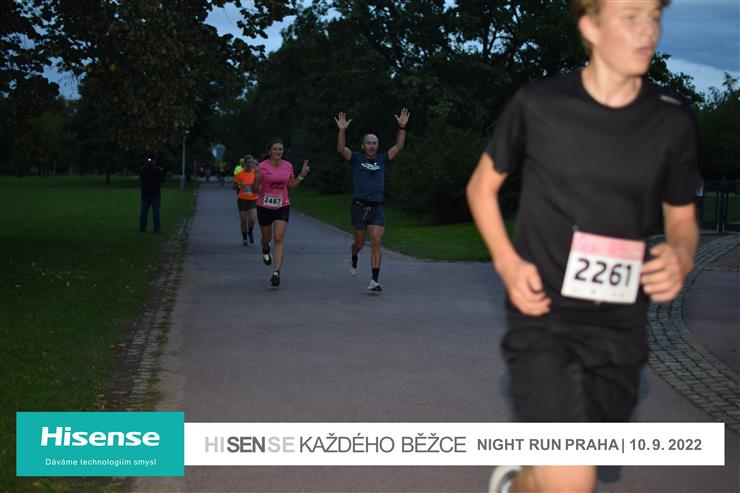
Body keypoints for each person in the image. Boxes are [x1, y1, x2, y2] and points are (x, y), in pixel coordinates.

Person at [465, 1, 699, 492]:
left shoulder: (671, 119)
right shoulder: (540, 104)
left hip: (620, 326)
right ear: (590, 26)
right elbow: (481, 187)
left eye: (654, 16)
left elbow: (681, 219)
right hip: (543, 316)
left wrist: (681, 254)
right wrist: (508, 263)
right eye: (631, 17)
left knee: (568, 476)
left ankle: (517, 482)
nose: (648, 31)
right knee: (573, 475)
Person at [335, 108, 410, 292]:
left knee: (376, 240)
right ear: (363, 146)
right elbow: (341, 149)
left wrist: (402, 127)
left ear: (377, 146)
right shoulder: (356, 158)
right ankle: (354, 256)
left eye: (374, 143)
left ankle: (374, 280)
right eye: (368, 143)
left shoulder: (383, 159)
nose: (371, 146)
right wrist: (342, 130)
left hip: (376, 207)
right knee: (359, 243)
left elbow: (399, 147)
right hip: (359, 206)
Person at [254, 138, 310, 287]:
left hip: (282, 205)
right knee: (266, 238)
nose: (278, 151)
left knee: (278, 238)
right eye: (275, 149)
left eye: (280, 149)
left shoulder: (288, 166)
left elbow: (291, 185)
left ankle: (276, 273)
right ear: (269, 151)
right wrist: (257, 179)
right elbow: (255, 189)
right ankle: (265, 249)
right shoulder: (262, 166)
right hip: (264, 206)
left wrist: (301, 175)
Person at [233, 155, 259, 246]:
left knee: (252, 218)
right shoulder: (240, 174)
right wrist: (239, 185)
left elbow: (261, 185)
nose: (249, 164)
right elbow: (234, 185)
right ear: (244, 164)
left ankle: (250, 232)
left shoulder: (256, 174)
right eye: (247, 162)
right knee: (243, 220)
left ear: (253, 163)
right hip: (242, 199)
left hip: (253, 199)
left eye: (251, 162)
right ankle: (244, 238)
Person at [139, 155, 167, 233]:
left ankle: (142, 228)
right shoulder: (158, 169)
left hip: (145, 193)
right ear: (154, 160)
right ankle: (157, 228)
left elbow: (141, 179)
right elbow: (162, 180)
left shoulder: (143, 169)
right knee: (156, 212)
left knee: (144, 212)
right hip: (155, 194)